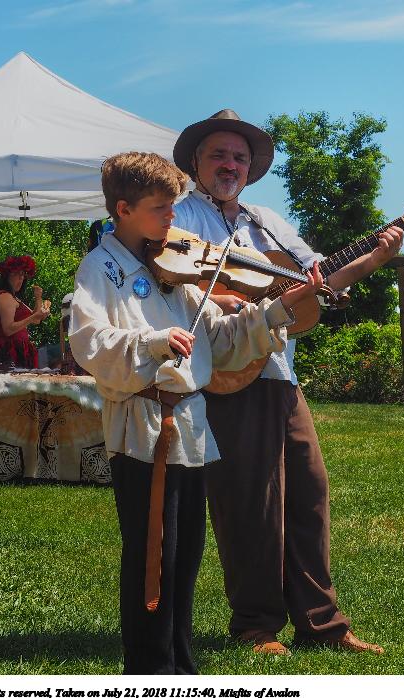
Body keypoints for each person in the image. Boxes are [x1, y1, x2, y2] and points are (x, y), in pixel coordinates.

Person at [69, 151, 322, 674]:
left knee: (184, 559)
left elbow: (221, 343)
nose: (172, 218)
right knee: (152, 558)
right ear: (123, 210)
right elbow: (89, 341)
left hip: (189, 427)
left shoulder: (175, 268)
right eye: (160, 208)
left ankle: (181, 668)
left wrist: (278, 309)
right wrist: (154, 342)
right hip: (143, 429)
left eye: (172, 206)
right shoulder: (101, 267)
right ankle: (149, 670)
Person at [171, 109, 404, 655]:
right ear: (197, 163)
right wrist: (227, 298)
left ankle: (322, 624)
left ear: (250, 169)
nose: (229, 165)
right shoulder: (180, 217)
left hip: (279, 372)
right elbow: (171, 284)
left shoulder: (267, 222)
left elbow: (319, 280)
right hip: (228, 372)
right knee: (250, 500)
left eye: (239, 157)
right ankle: (255, 624)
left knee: (308, 492)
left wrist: (375, 258)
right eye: (218, 155)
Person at [0, 255, 50, 367]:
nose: (21, 278)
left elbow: (36, 320)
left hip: (21, 350)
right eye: (17, 274)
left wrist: (38, 298)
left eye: (23, 274)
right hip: (10, 351)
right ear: (8, 275)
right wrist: (34, 316)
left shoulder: (14, 298)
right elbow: (8, 329)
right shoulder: (5, 297)